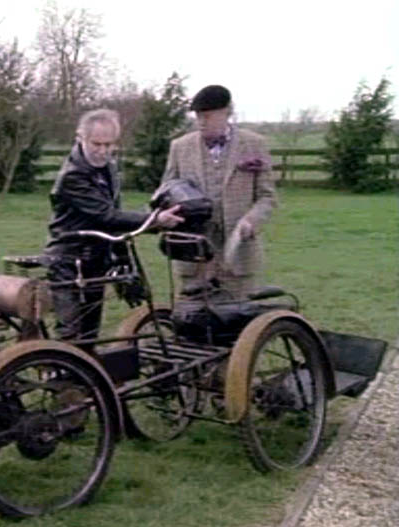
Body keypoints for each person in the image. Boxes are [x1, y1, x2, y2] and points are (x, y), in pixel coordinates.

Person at [44, 108, 183, 351]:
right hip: (67, 259)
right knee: (70, 332)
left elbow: (113, 214)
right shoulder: (72, 176)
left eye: (109, 145)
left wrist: (121, 257)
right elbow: (106, 216)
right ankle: (62, 377)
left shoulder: (107, 168)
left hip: (96, 256)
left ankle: (87, 384)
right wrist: (156, 220)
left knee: (90, 330)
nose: (103, 151)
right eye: (96, 144)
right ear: (80, 138)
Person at [161, 85, 277, 300]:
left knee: (236, 320)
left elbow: (267, 196)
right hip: (194, 255)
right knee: (193, 320)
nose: (201, 122)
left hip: (238, 254)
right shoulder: (180, 147)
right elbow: (166, 191)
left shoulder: (254, 144)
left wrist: (251, 221)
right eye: (198, 116)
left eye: (207, 116)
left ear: (227, 112)